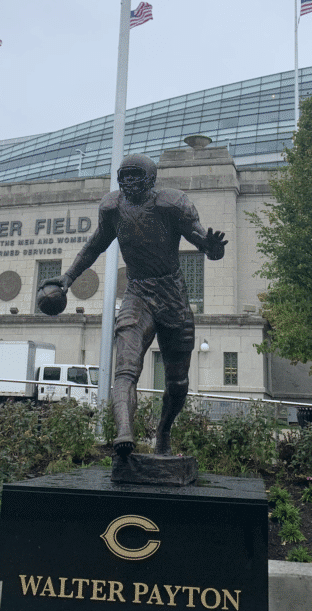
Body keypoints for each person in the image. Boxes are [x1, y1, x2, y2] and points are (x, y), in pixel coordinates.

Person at [42, 153, 226, 458]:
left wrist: (213, 248)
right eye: (123, 176)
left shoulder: (172, 204)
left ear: (151, 179)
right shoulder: (113, 208)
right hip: (137, 292)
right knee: (125, 369)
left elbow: (202, 242)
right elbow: (95, 244)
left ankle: (164, 433)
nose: (128, 182)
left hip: (172, 294)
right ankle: (125, 431)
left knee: (178, 382)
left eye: (135, 176)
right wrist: (68, 277)